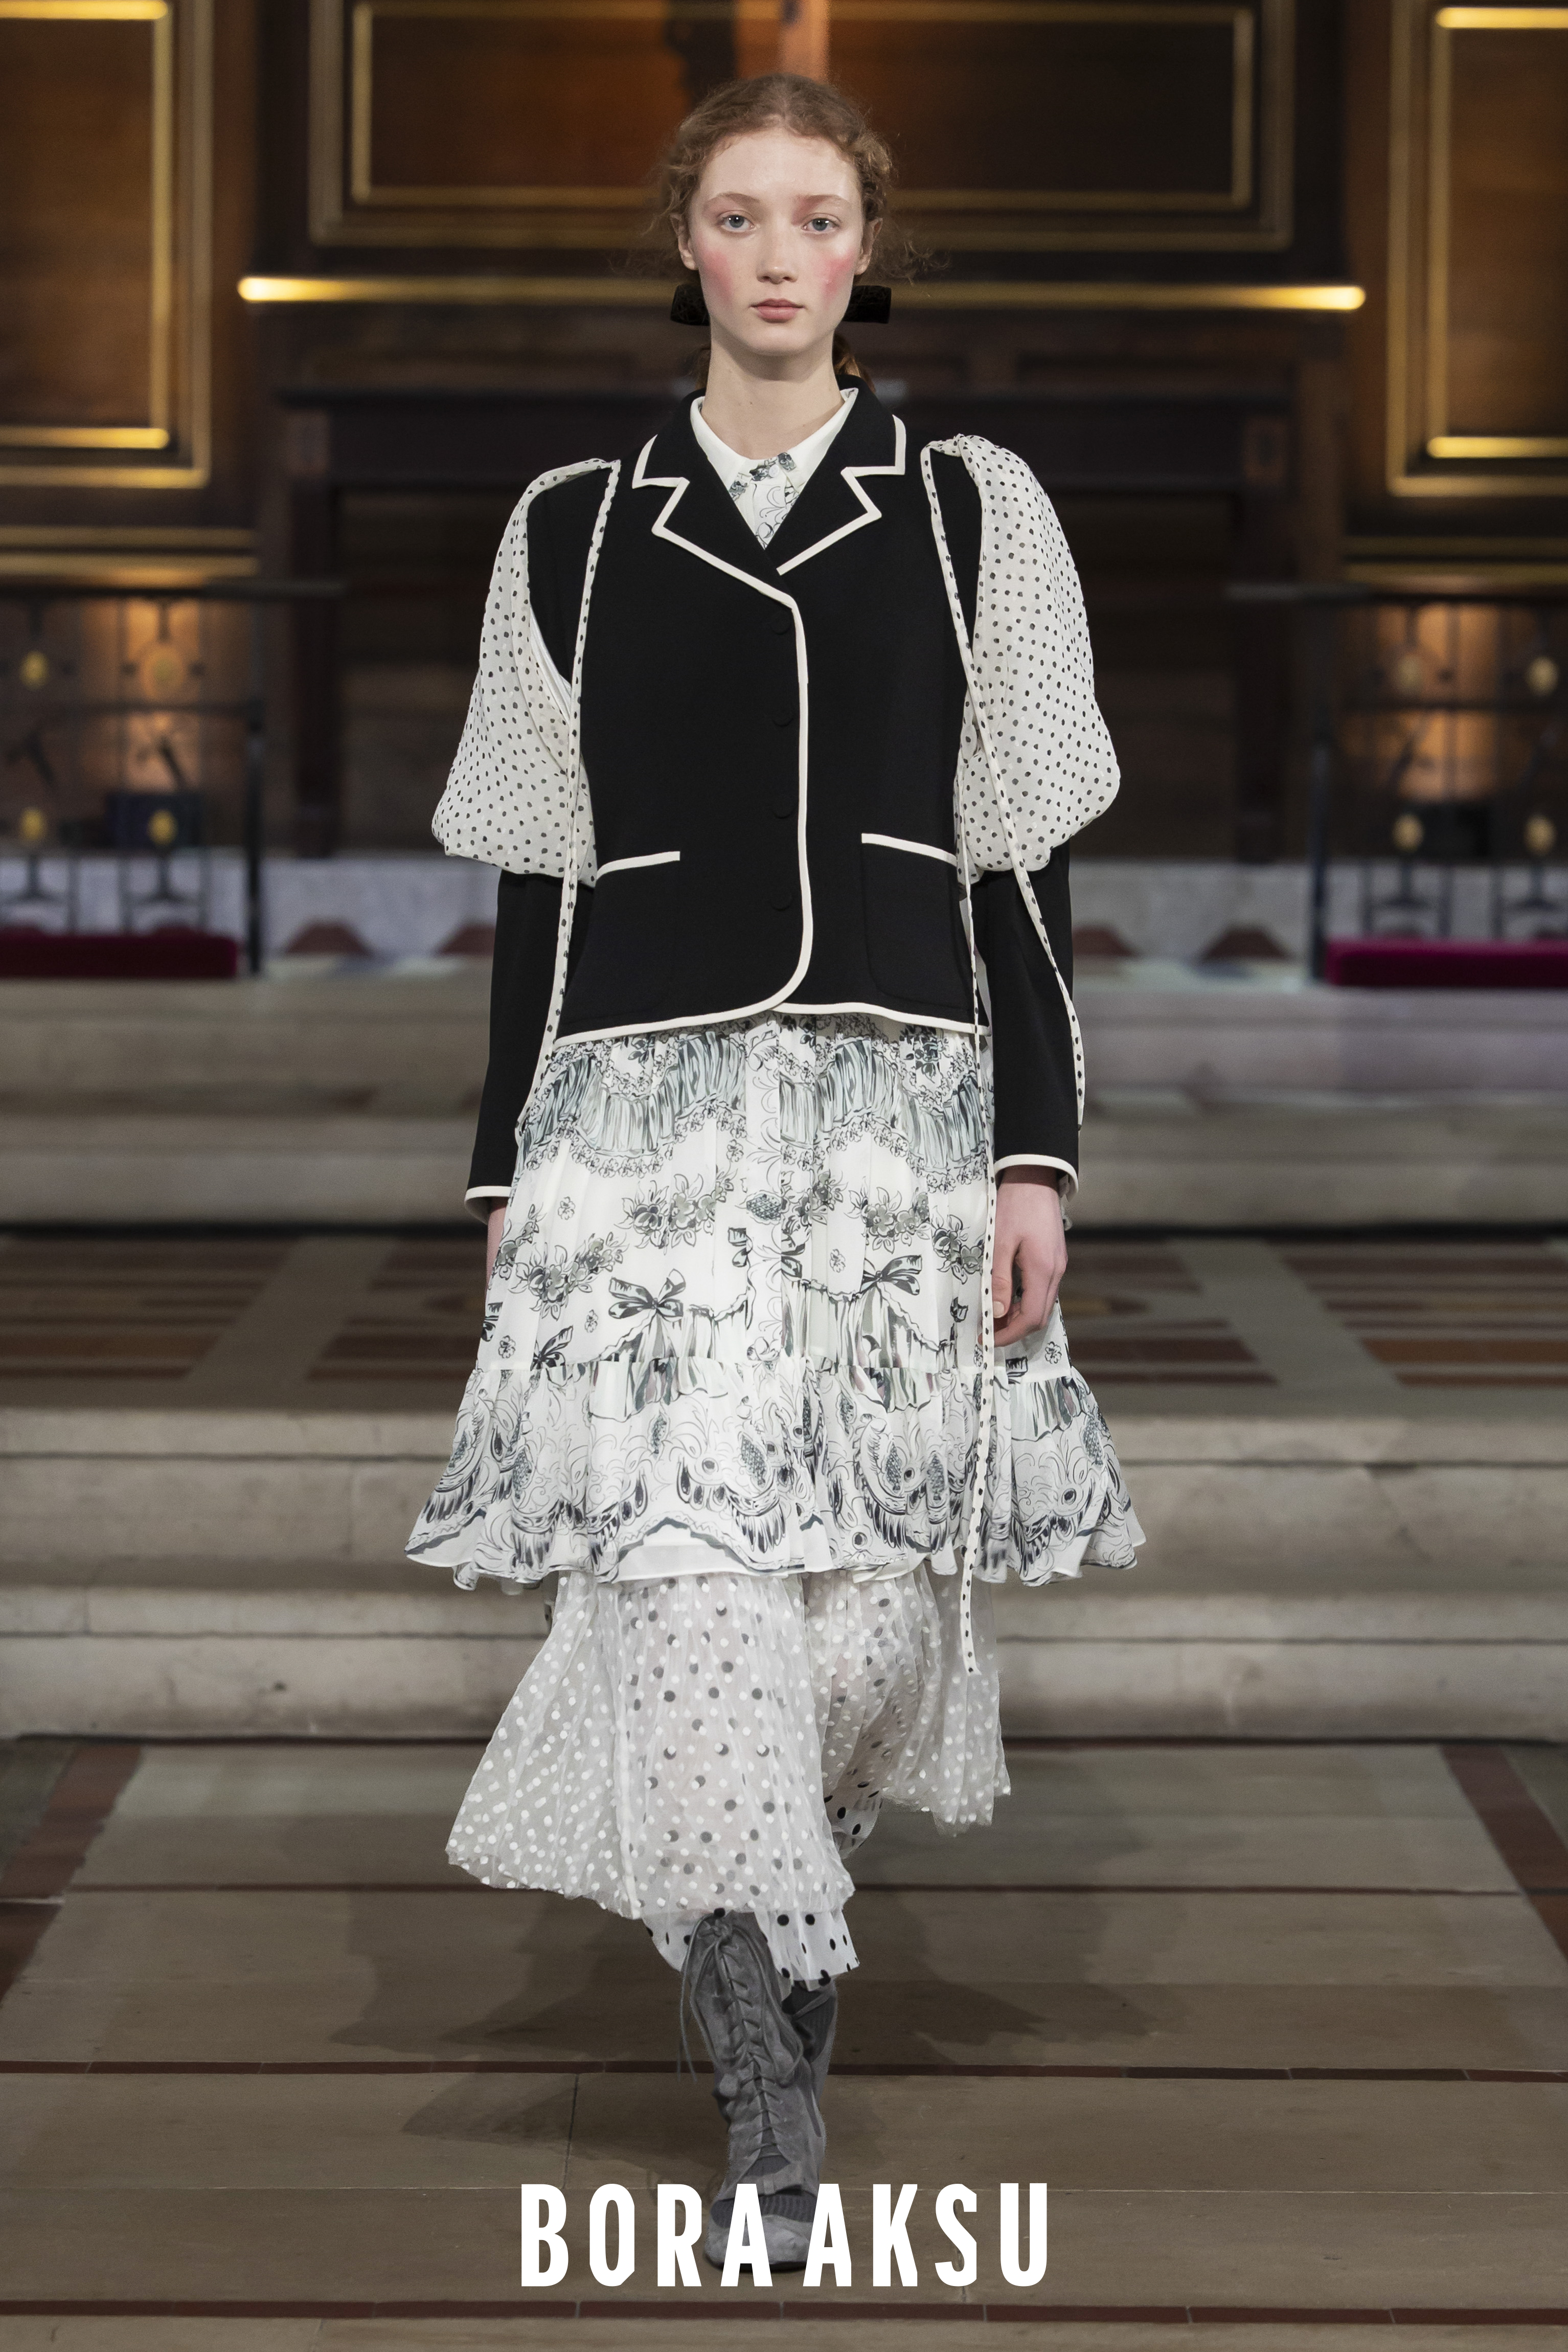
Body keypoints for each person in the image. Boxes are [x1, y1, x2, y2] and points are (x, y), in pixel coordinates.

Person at [408, 70, 1143, 2270]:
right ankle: (760, 2058)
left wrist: (1037, 1158)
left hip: (898, 1121)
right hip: (638, 1131)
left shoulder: (971, 509)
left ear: (861, 250)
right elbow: (536, 887)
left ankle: (756, 1908)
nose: (775, 254)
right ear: (686, 245)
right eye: (735, 215)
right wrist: (501, 1181)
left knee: (864, 1604)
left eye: (814, 216)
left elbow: (1021, 868)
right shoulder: (571, 524)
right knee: (687, 1570)